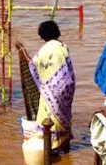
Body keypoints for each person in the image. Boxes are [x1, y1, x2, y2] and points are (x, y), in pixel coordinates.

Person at [16, 21, 76, 153]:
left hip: (53, 91)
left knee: (49, 117)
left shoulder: (46, 49)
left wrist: (22, 50)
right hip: (67, 88)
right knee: (64, 115)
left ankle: (52, 148)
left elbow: (33, 65)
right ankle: (65, 147)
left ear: (43, 35)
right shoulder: (62, 46)